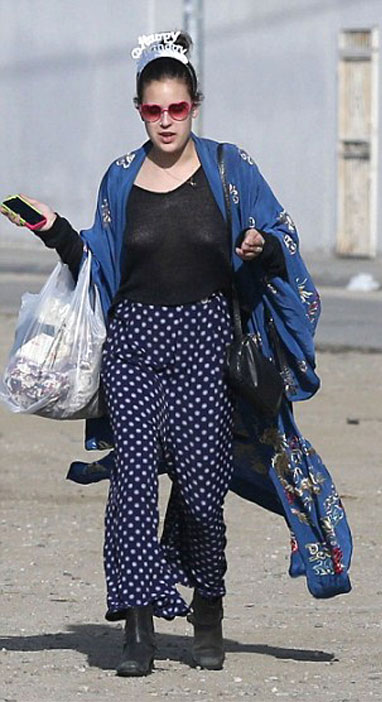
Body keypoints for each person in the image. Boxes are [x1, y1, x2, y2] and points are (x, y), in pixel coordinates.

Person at [1, 31, 352, 677]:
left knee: (200, 488)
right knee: (132, 482)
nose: (166, 121)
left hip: (206, 344)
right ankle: (137, 627)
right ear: (139, 110)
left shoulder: (230, 167)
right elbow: (100, 265)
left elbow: (280, 239)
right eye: (153, 110)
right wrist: (52, 230)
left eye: (177, 109)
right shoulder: (121, 176)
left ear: (195, 106)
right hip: (134, 343)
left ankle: (208, 604)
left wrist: (260, 248)